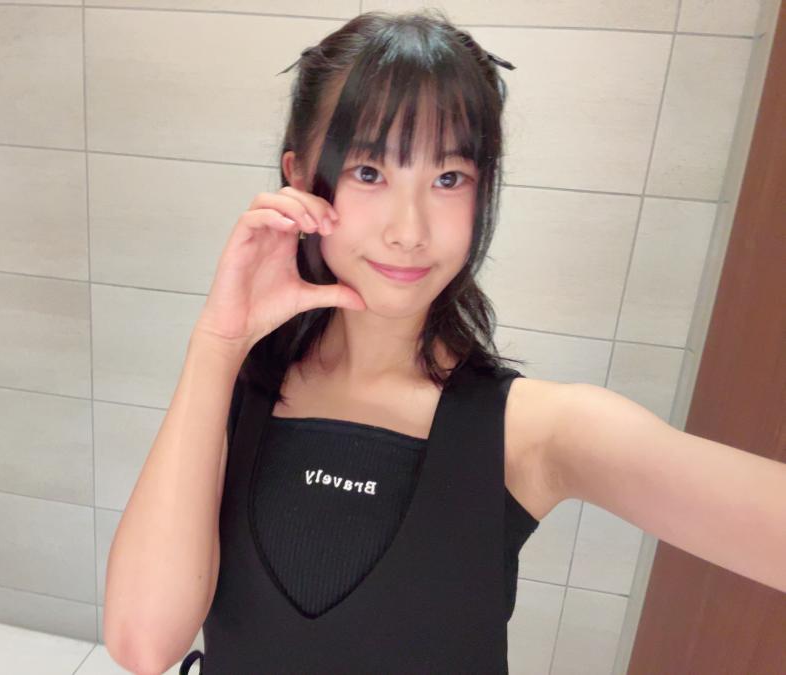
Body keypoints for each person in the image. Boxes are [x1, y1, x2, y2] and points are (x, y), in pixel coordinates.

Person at [102, 9, 786, 675]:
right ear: (300, 179)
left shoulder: (534, 431)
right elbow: (142, 643)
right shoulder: (238, 388)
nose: (410, 230)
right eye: (370, 172)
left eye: (448, 179)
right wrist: (218, 342)